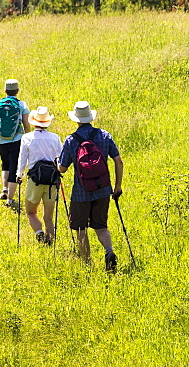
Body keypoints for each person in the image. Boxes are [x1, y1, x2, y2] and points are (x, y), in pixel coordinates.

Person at [57, 100, 124, 272]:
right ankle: (109, 252)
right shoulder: (104, 135)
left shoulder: (71, 140)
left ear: (76, 119)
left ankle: (87, 265)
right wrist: (117, 187)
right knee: (101, 226)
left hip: (81, 193)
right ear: (90, 117)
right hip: (103, 190)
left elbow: (62, 169)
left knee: (81, 229)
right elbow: (118, 161)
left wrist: (57, 163)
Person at [15, 106, 62, 244]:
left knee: (30, 212)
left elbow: (22, 158)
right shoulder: (55, 138)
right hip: (52, 180)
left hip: (35, 180)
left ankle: (39, 233)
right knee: (49, 216)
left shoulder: (27, 138)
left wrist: (19, 175)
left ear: (34, 121)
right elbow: (61, 157)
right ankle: (51, 242)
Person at [0, 78, 30, 207]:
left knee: (5, 164)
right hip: (16, 140)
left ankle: (4, 189)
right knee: (14, 168)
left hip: (1, 139)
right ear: (17, 91)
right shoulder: (22, 105)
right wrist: (28, 139)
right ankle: (10, 200)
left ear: (5, 90)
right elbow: (26, 124)